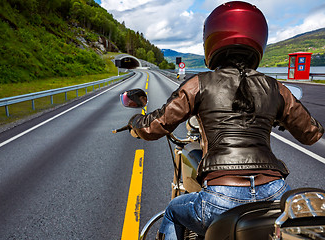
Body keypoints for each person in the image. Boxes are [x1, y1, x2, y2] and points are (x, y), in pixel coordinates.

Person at [127, 1, 324, 239]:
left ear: (211, 38)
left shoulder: (199, 83)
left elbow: (155, 125)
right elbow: (312, 133)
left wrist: (135, 123)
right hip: (275, 191)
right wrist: (278, 116)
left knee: (172, 212)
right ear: (259, 38)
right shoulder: (276, 88)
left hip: (222, 196)